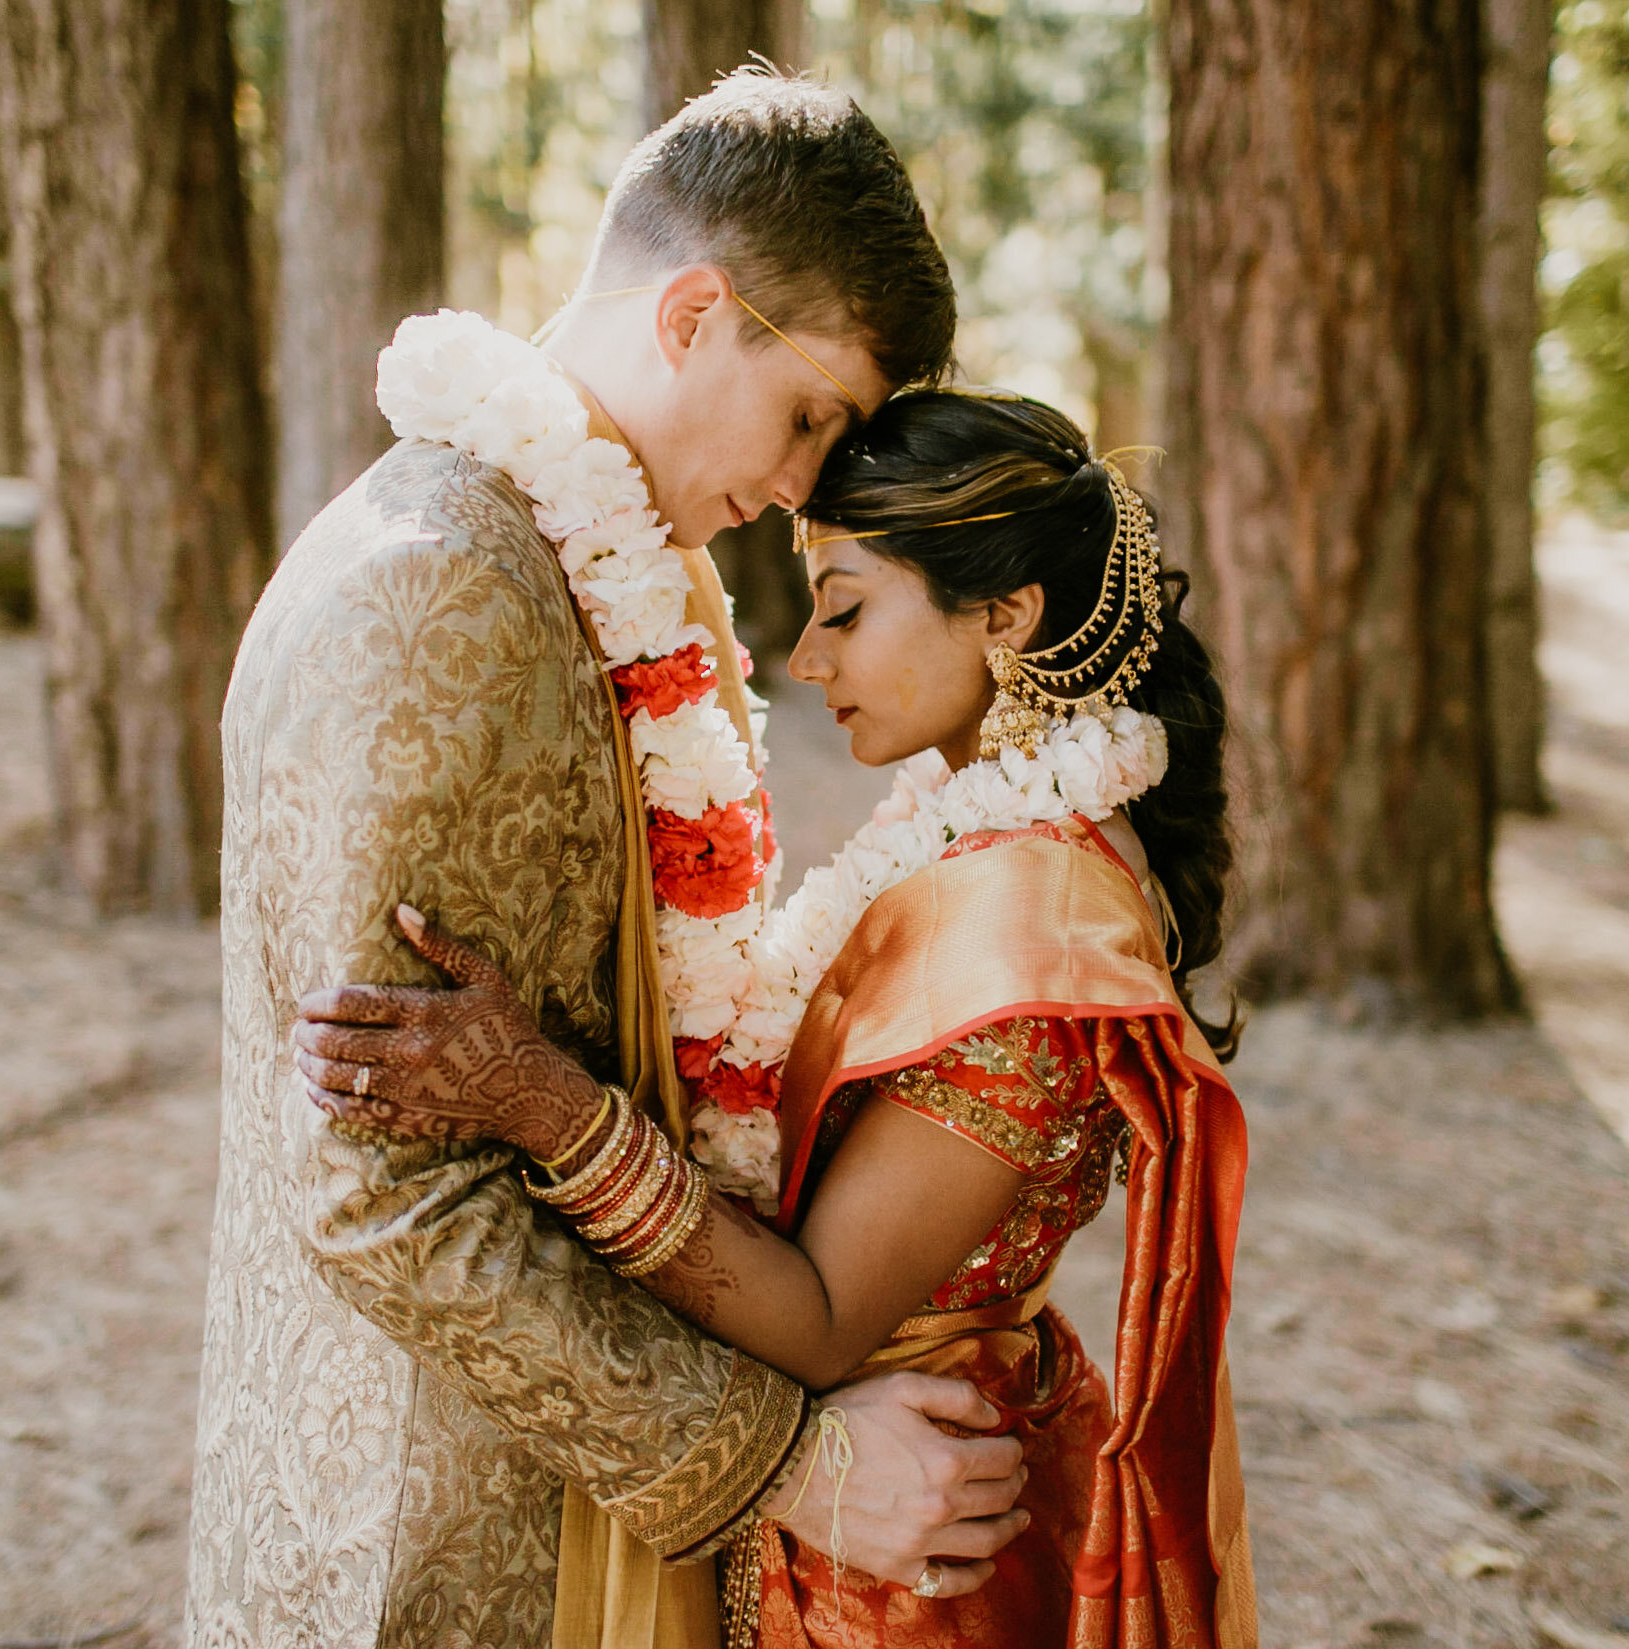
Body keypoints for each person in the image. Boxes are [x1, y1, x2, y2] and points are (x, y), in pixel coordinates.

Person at [185, 75, 1035, 1649]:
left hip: (565, 1512)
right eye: (808, 420)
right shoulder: (440, 589)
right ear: (697, 309)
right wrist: (788, 1463)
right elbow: (385, 1200)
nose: (798, 490)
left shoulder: (593, 569)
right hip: (436, 1543)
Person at [296, 391, 1258, 1649]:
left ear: (1007, 615)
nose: (808, 660)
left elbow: (814, 1318)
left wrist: (542, 1103)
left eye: (847, 608)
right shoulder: (980, 820)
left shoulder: (1030, 922)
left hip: (906, 1538)